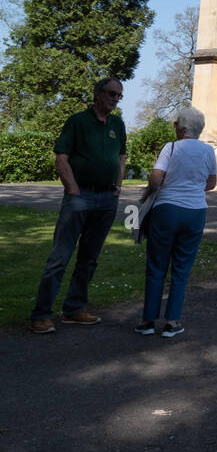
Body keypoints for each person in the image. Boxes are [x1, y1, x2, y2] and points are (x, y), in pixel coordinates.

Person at [30, 77, 127, 333]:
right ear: (97, 94)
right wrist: (72, 190)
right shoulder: (77, 122)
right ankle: (41, 314)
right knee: (59, 257)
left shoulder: (117, 124)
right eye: (111, 94)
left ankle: (74, 309)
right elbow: (61, 157)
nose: (115, 99)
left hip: (107, 199)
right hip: (80, 197)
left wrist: (118, 186)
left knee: (89, 259)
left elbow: (121, 156)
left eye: (119, 95)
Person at [135, 106, 217, 339]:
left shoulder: (171, 148)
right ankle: (172, 321)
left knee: (157, 266)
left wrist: (159, 188)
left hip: (167, 210)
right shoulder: (208, 151)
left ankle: (148, 320)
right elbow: (211, 183)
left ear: (181, 129)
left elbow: (155, 179)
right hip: (195, 212)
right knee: (182, 268)